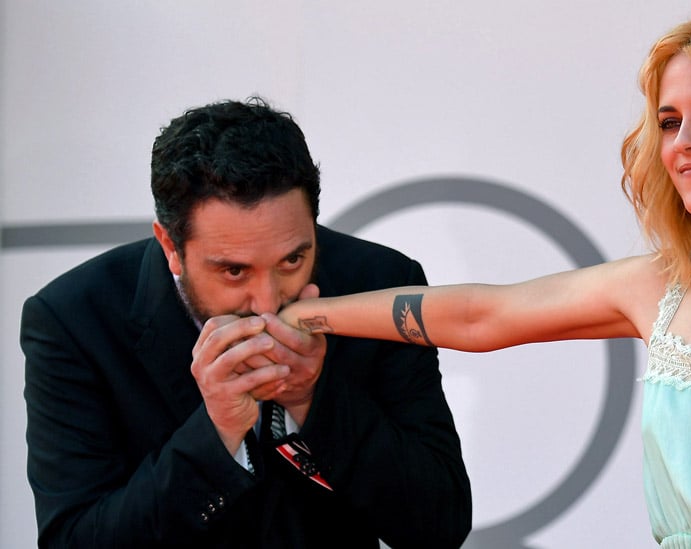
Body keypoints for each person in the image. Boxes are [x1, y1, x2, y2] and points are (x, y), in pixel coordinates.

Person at [277, 9, 691, 548]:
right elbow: (483, 316)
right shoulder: (660, 286)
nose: (684, 140)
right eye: (669, 120)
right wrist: (308, 316)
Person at [21, 98, 472, 548]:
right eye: (234, 271)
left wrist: (312, 399)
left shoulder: (380, 282)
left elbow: (441, 524)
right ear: (170, 247)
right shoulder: (73, 320)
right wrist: (215, 432)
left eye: (293, 259)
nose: (268, 303)